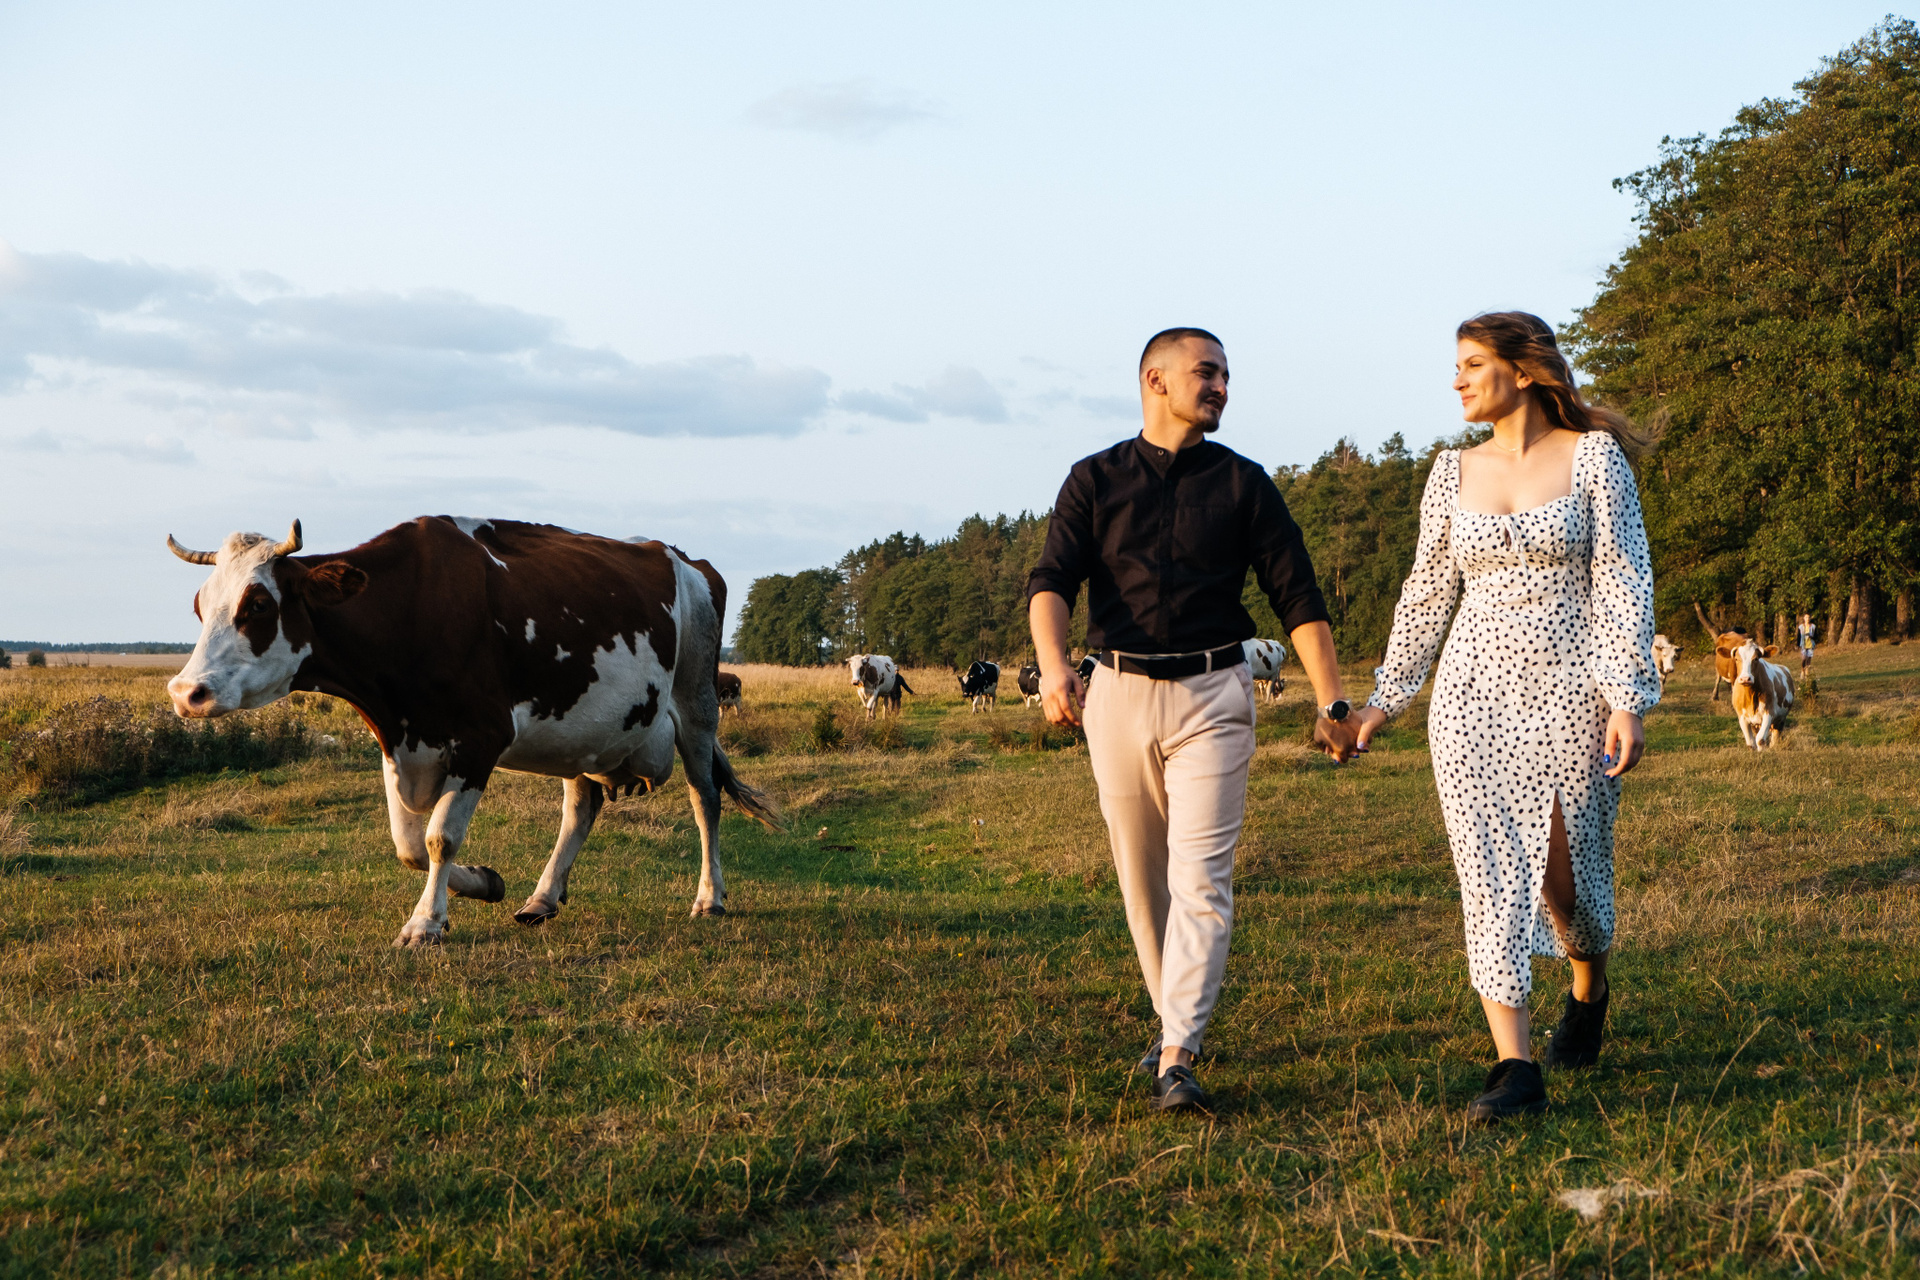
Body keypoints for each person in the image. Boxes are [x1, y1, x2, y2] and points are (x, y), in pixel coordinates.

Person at [1027, 327, 1360, 1112]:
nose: (1220, 388)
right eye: (1206, 373)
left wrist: (1331, 701)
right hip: (1116, 694)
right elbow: (1051, 582)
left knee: (1202, 877)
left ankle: (1178, 1053)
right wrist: (1053, 665)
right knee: (1143, 880)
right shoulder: (1094, 479)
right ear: (1156, 380)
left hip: (1215, 694)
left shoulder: (1245, 485)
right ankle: (1171, 1018)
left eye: (1225, 376)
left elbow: (1298, 595)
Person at [1349, 312, 1659, 1124]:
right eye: (1456, 365)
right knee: (1488, 873)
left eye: (1472, 363)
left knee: (1568, 878)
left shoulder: (1593, 458)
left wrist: (1627, 697)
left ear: (1523, 371)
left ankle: (1588, 988)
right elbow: (1426, 592)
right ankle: (1514, 1065)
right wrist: (1387, 697)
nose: (1456, 380)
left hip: (1573, 690)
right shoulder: (1451, 472)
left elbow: (1624, 578)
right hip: (1471, 697)